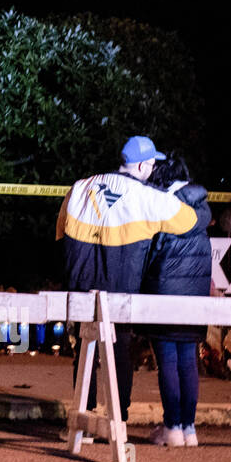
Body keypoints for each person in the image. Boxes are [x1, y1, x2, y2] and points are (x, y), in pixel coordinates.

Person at [56, 135, 203, 428]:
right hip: (120, 286)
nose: (152, 170)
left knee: (85, 351)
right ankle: (117, 419)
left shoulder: (80, 187)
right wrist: (173, 192)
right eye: (150, 165)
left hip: (82, 284)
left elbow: (60, 232)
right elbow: (189, 221)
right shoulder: (146, 197)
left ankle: (80, 420)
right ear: (140, 166)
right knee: (119, 351)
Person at [139, 154, 210, 447]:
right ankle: (189, 428)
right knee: (188, 361)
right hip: (195, 296)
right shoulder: (201, 208)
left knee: (168, 359)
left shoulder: (163, 206)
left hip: (165, 292)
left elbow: (151, 253)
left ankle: (172, 427)